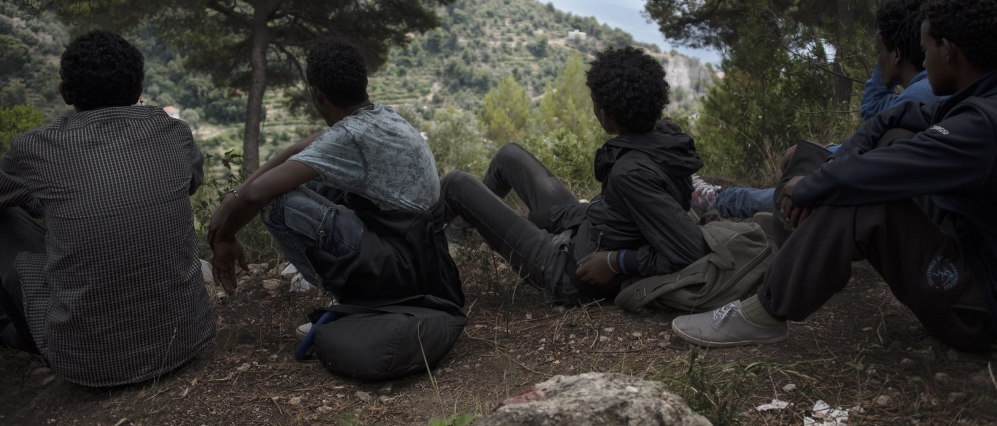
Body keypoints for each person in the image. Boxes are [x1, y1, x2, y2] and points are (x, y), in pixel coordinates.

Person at [672, 0, 997, 352]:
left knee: (868, 198)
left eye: (926, 51)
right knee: (894, 138)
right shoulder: (981, 99)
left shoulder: (983, 126)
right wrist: (831, 166)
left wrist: (814, 185)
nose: (923, 61)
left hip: (980, 309)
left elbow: (887, 170)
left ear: (950, 51)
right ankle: (808, 245)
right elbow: (896, 118)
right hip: (971, 253)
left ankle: (765, 312)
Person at [0, 31, 215, 387]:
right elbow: (189, 183)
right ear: (138, 89)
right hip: (186, 338)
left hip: (89, 366)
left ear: (65, 93)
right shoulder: (173, 131)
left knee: (5, 219)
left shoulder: (36, 147)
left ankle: (22, 337)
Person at [209, 40, 460, 321]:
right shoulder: (381, 115)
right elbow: (295, 152)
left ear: (316, 94)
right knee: (310, 180)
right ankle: (358, 290)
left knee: (275, 200)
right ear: (364, 82)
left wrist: (225, 237)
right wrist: (232, 196)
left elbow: (256, 194)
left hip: (398, 269)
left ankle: (349, 297)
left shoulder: (350, 135)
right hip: (424, 258)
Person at [440, 46, 709, 303]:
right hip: (582, 235)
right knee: (508, 156)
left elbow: (691, 251)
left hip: (568, 271)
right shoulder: (662, 142)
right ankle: (460, 239)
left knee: (455, 184)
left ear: (606, 115)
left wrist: (616, 262)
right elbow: (608, 214)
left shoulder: (631, 173)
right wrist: (535, 219)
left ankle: (415, 256)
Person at [691, 0, 949, 220]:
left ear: (896, 55)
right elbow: (873, 112)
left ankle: (717, 201)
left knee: (799, 191)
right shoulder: (920, 90)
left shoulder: (919, 96)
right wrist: (892, 52)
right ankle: (724, 199)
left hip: (892, 198)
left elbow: (866, 156)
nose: (876, 59)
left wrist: (821, 153)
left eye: (878, 51)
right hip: (900, 190)